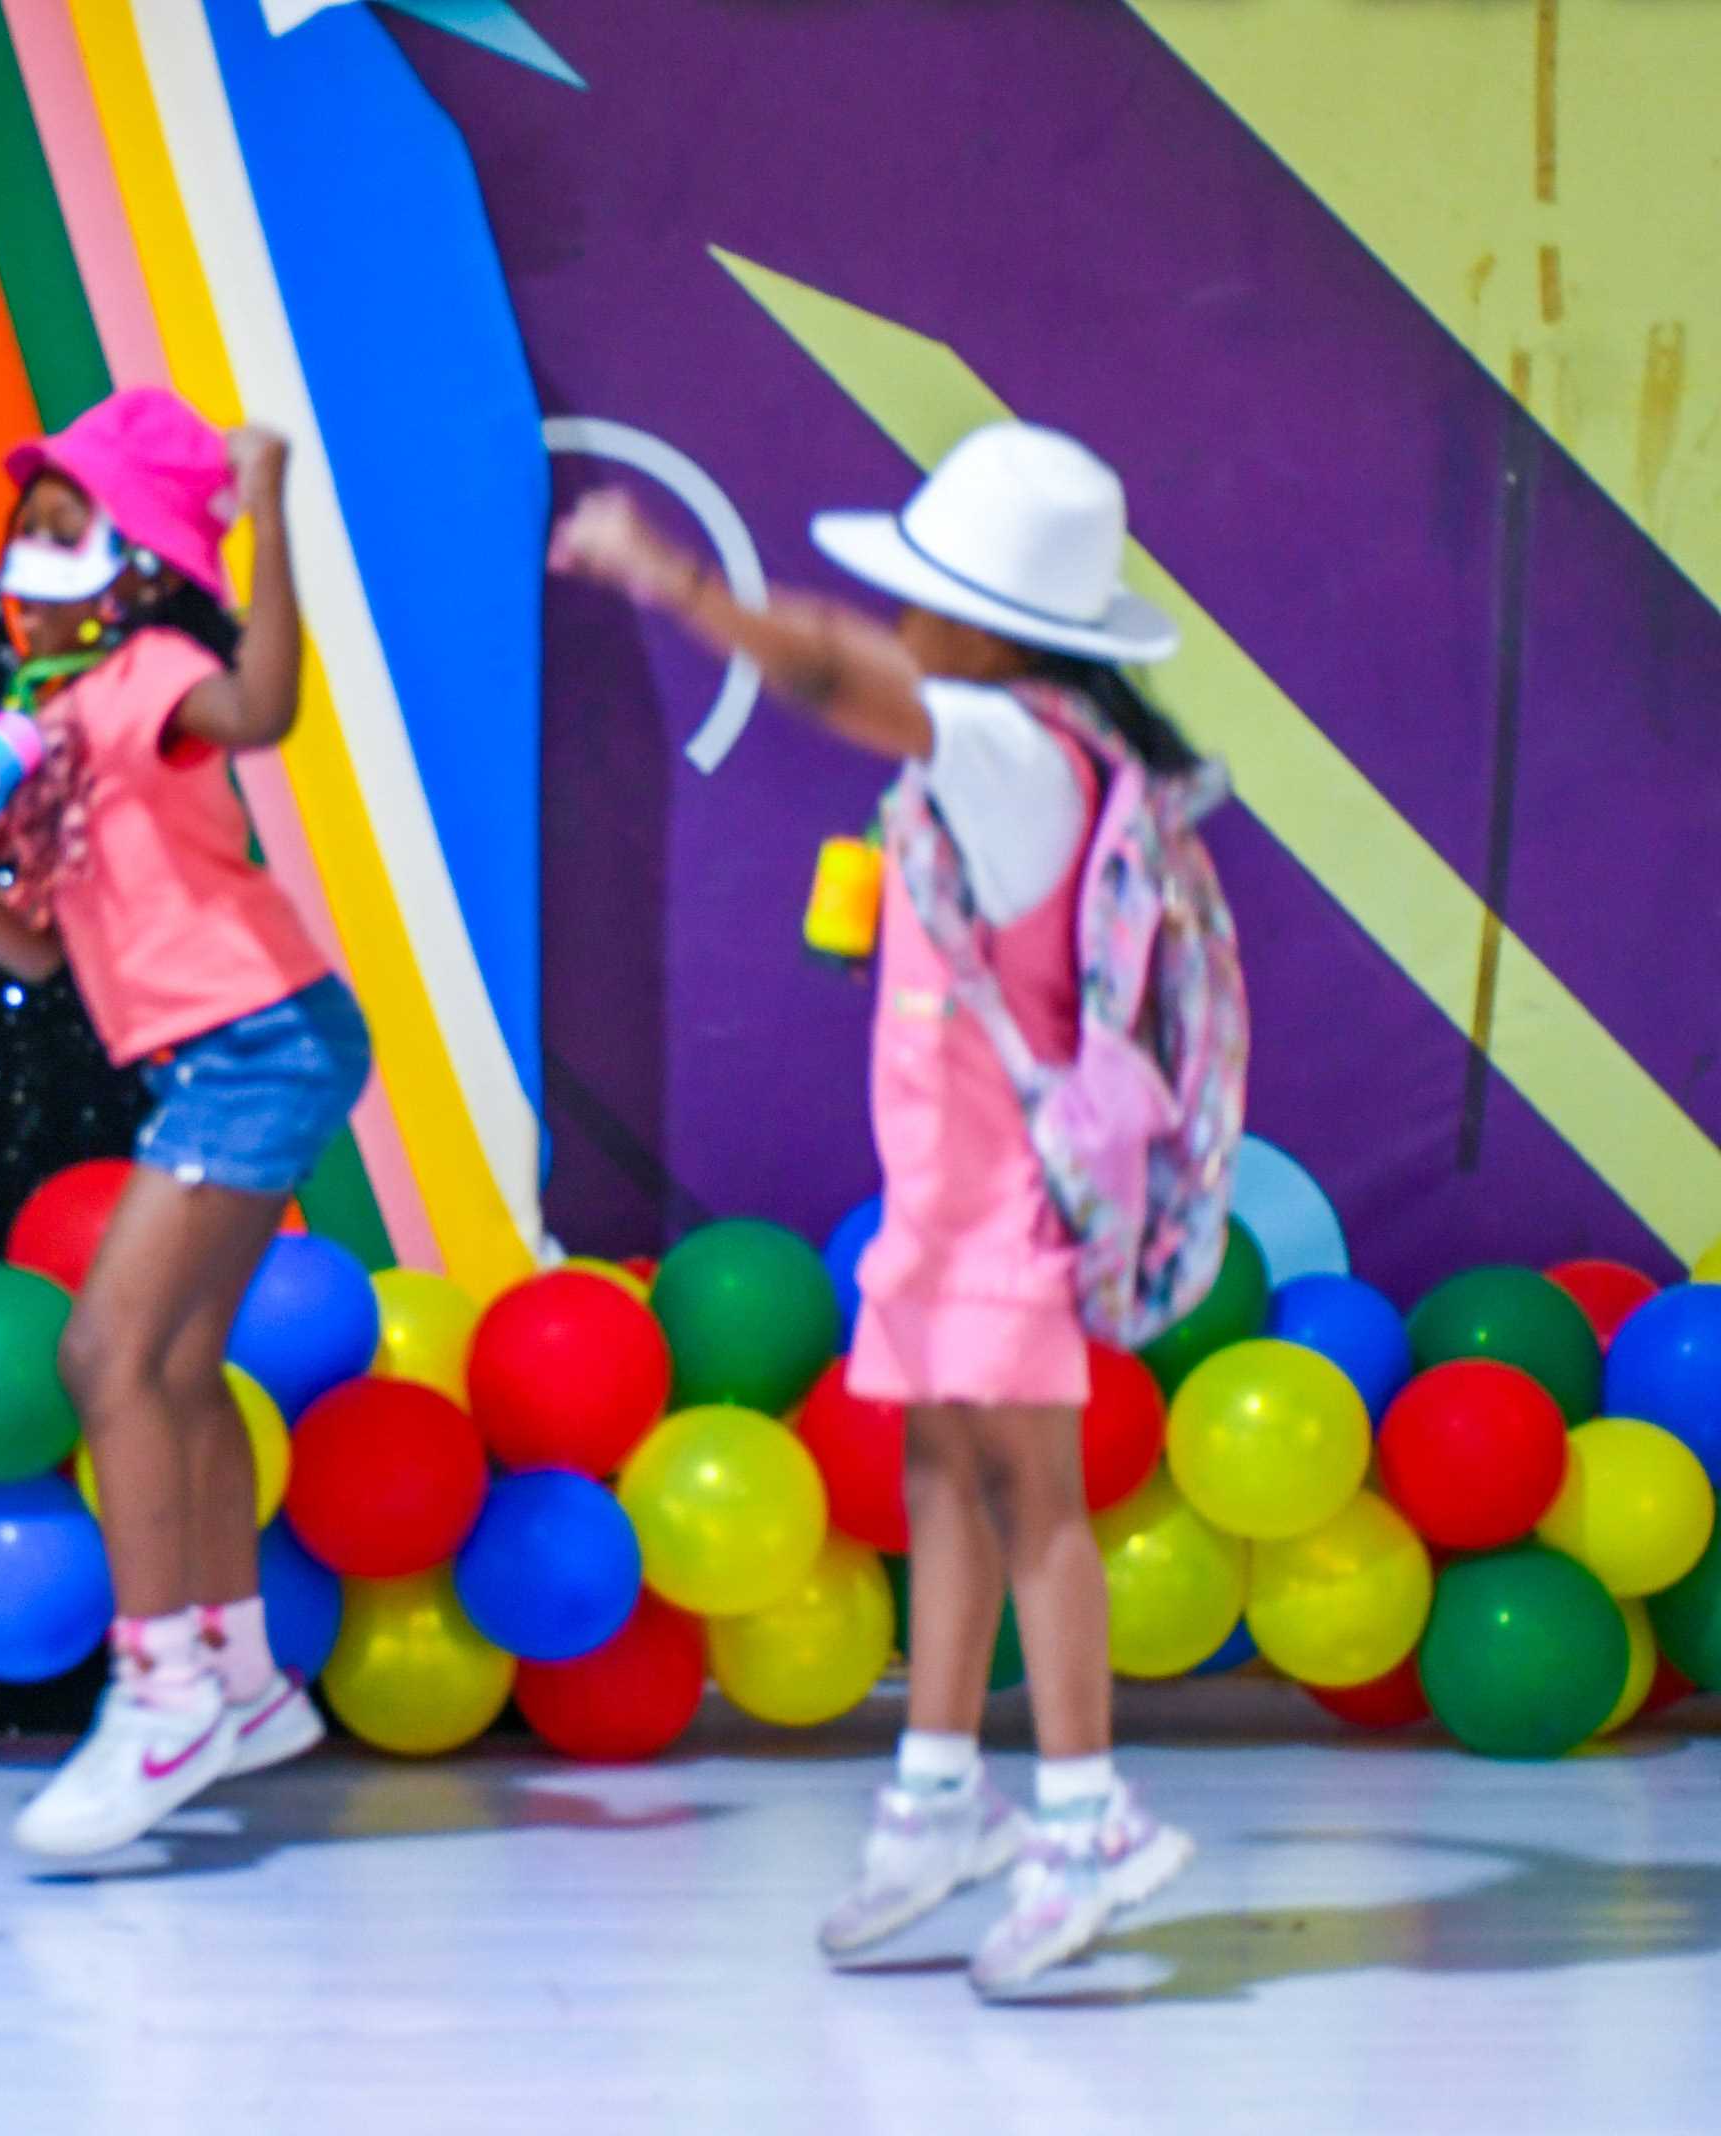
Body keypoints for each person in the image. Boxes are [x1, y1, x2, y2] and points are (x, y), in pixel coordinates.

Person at [552, 422, 1206, 1995]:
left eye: (927, 601)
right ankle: (939, 1794)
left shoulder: (1003, 743)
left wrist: (675, 581)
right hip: (944, 1189)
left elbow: (826, 672)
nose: (904, 621)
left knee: (1033, 1496)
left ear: (992, 629)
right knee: (941, 1470)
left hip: (1008, 1202)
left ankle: (1087, 1821)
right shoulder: (1009, 738)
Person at [0, 387, 370, 1857]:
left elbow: (262, 709)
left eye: (65, 526)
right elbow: (35, 954)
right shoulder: (50, 726)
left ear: (136, 561)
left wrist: (264, 509)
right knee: (177, 1365)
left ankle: (164, 1698)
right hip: (218, 1056)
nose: (29, 552)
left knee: (104, 1356)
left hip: (255, 1045)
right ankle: (243, 1676)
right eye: (23, 527)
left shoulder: (151, 671)